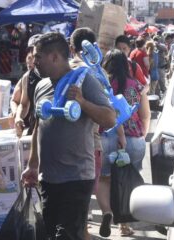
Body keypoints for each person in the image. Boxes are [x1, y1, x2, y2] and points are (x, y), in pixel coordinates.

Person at [21, 32, 115, 240]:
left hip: (76, 178)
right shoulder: (41, 85)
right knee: (51, 234)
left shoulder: (84, 81)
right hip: (49, 179)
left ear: (54, 57)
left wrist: (82, 102)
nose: (34, 62)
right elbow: (39, 126)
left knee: (67, 236)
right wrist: (33, 165)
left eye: (38, 57)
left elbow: (110, 119)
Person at [97, 49, 150, 237]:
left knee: (104, 179)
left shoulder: (100, 85)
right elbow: (144, 115)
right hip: (132, 139)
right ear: (126, 66)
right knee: (127, 182)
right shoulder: (135, 86)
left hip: (104, 137)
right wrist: (141, 133)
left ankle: (107, 212)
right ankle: (124, 224)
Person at [69, 27, 106, 240]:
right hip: (92, 145)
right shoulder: (97, 74)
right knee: (81, 206)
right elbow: (113, 114)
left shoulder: (58, 72)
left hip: (62, 151)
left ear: (71, 47)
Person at [12, 34, 42, 137]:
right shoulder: (27, 77)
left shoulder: (53, 73)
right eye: (29, 57)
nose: (31, 61)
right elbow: (23, 103)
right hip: (34, 128)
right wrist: (18, 117)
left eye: (35, 56)